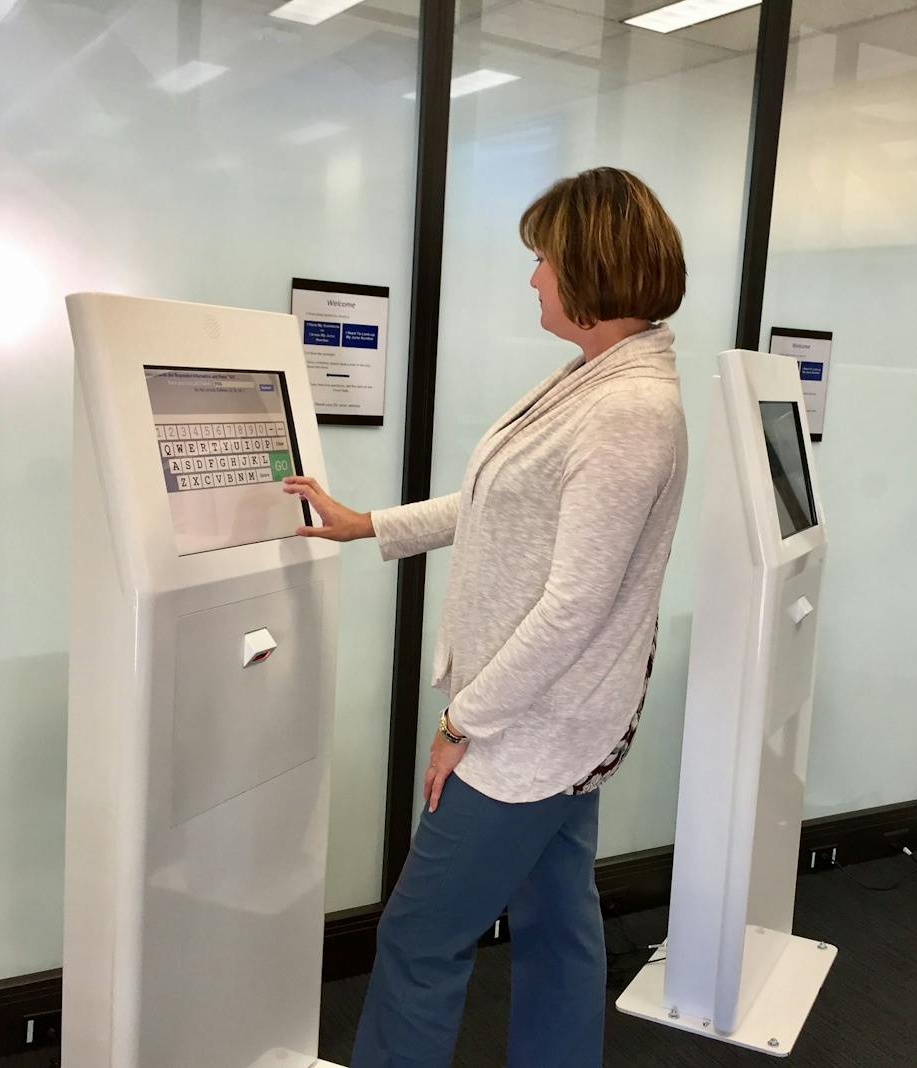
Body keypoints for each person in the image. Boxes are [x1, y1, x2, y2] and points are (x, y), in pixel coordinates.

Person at [283, 166, 688, 1068]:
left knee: (420, 935)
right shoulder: (594, 379)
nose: (533, 277)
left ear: (591, 266)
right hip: (560, 720)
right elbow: (498, 501)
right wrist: (371, 525)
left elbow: (575, 604)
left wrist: (464, 721)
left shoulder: (629, 409)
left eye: (542, 258)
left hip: (531, 728)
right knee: (557, 923)